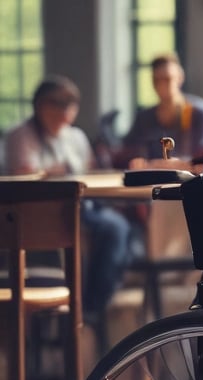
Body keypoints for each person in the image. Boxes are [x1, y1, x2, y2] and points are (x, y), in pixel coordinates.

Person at [2, 75, 136, 353]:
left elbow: (88, 173)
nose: (65, 111)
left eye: (70, 105)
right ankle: (83, 310)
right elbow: (23, 179)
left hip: (82, 207)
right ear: (39, 105)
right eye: (57, 104)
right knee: (113, 232)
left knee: (120, 230)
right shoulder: (20, 136)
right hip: (41, 215)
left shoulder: (75, 137)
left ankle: (88, 309)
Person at [114, 52, 203, 173]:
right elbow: (127, 156)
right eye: (157, 80)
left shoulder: (200, 115)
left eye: (167, 79)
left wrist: (165, 165)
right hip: (151, 186)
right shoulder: (144, 119)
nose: (163, 86)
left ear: (180, 78)